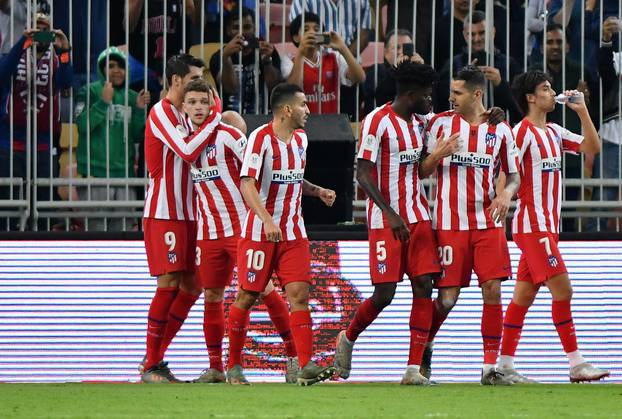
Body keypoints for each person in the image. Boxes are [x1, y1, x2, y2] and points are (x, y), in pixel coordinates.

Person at [180, 80, 299, 384]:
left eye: (202, 102)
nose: (197, 108)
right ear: (184, 107)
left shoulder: (231, 137)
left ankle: (292, 356)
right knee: (213, 295)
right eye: (191, 102)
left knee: (264, 291)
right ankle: (217, 367)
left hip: (241, 229)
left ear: (212, 105)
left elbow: (256, 173)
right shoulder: (186, 141)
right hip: (208, 233)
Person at [333, 62, 443, 386]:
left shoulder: (420, 123)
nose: (430, 100)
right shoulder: (376, 122)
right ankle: (348, 338)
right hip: (385, 220)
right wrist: (391, 213)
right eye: (425, 95)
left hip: (419, 215)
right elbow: (363, 174)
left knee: (424, 285)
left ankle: (413, 369)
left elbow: (421, 167)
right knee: (385, 294)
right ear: (410, 95)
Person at [499, 70, 608, 383]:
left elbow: (592, 147)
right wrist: (501, 196)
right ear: (531, 97)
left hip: (548, 227)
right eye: (546, 88)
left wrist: (583, 109)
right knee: (563, 289)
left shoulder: (556, 132)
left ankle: (503, 365)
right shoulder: (520, 133)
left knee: (523, 296)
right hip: (532, 227)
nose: (553, 92)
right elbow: (505, 172)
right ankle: (576, 363)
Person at [226, 83, 337, 386]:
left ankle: (305, 365)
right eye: (303, 105)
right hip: (260, 234)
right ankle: (233, 366)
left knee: (300, 295)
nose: (308, 111)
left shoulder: (301, 139)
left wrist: (317, 192)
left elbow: (295, 179)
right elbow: (247, 183)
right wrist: (266, 220)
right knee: (247, 296)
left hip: (293, 233)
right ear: (287, 110)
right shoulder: (259, 139)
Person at [419, 66, 521, 385]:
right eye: (451, 91)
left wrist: (505, 193)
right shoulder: (438, 124)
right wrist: (439, 153)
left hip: (488, 224)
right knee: (447, 299)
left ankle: (490, 367)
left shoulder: (500, 130)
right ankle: (426, 345)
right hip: (450, 225)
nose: (451, 97)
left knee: (492, 290)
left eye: (458, 92)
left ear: (477, 94)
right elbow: (422, 171)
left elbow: (515, 174)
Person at [140, 53, 222, 383]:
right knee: (169, 282)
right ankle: (150, 364)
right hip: (165, 213)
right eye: (192, 80)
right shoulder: (161, 112)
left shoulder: (190, 115)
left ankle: (155, 358)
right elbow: (187, 151)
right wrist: (216, 116)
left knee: (193, 285)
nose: (199, 87)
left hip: (192, 214)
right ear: (175, 81)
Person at [0, 13, 73, 231]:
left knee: (44, 199)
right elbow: (3, 75)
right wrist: (23, 41)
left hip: (43, 142)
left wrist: (65, 51)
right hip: (10, 140)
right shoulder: (15, 53)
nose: (41, 33)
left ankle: (45, 241)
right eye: (37, 28)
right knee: (8, 198)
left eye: (45, 29)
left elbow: (67, 83)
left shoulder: (57, 60)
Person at [530, 23, 597, 232]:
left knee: (568, 212)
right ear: (541, 48)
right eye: (549, 42)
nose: (555, 46)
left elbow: (594, 110)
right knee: (540, 209)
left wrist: (585, 103)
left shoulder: (580, 72)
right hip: (540, 154)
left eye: (559, 41)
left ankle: (565, 244)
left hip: (572, 154)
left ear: (568, 46)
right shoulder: (533, 76)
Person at [75, 46, 150, 231]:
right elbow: (83, 126)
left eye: (122, 66)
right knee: (96, 230)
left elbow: (139, 137)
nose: (117, 70)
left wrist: (140, 110)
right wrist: (103, 103)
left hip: (125, 176)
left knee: (124, 229)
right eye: (111, 65)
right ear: (101, 69)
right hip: (95, 175)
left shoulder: (133, 97)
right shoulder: (89, 91)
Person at [435, 11, 521, 122]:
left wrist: (500, 84)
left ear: (492, 32)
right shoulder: (454, 64)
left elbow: (520, 108)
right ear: (465, 35)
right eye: (472, 34)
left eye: (482, 33)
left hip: (499, 129)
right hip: (462, 130)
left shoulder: (508, 63)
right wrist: (463, 80)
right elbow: (443, 102)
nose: (477, 39)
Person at [281, 12, 365, 114]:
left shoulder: (334, 57)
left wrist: (343, 48)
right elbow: (293, 91)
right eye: (306, 29)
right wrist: (300, 53)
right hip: (302, 125)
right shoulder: (289, 60)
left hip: (331, 123)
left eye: (316, 30)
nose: (312, 33)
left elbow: (360, 78)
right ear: (296, 37)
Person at [209, 7, 281, 114]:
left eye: (247, 27)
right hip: (230, 118)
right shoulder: (219, 56)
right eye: (236, 27)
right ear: (228, 30)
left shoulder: (267, 51)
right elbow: (230, 88)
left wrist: (267, 61)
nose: (241, 32)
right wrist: (226, 58)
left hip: (263, 116)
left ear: (255, 28)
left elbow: (274, 86)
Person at [588, 17, 622, 231]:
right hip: (614, 133)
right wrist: (606, 40)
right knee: (604, 193)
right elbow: (606, 73)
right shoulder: (616, 56)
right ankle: (594, 237)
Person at [362, 29, 424, 116]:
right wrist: (396, 69)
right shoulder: (376, 71)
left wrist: (423, 72)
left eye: (407, 47)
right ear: (385, 51)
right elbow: (378, 100)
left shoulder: (415, 73)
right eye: (397, 47)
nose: (401, 52)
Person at [289, 0, 372, 55]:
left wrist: (343, 61)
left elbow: (364, 38)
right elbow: (304, 38)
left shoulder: (362, 1)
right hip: (314, 64)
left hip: (349, 66)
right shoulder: (302, 1)